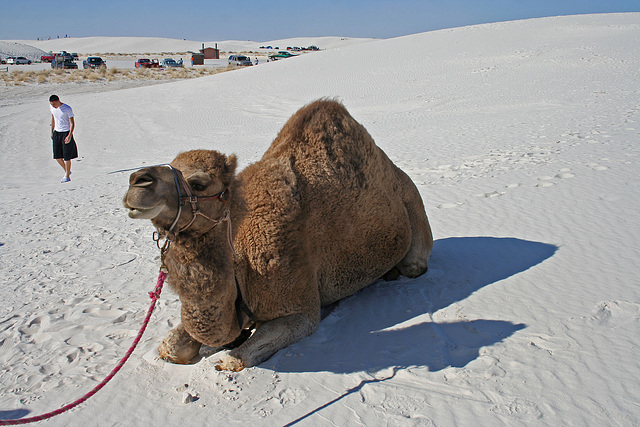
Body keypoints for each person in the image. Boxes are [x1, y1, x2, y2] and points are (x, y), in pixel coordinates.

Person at [49, 95, 78, 182]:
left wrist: (69, 135)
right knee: (57, 156)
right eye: (51, 104)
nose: (53, 105)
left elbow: (72, 123)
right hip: (56, 133)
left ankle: (67, 176)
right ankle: (67, 171)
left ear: (58, 101)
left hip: (65, 132)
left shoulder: (67, 108)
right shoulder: (52, 108)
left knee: (67, 156)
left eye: (54, 103)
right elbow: (53, 119)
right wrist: (51, 131)